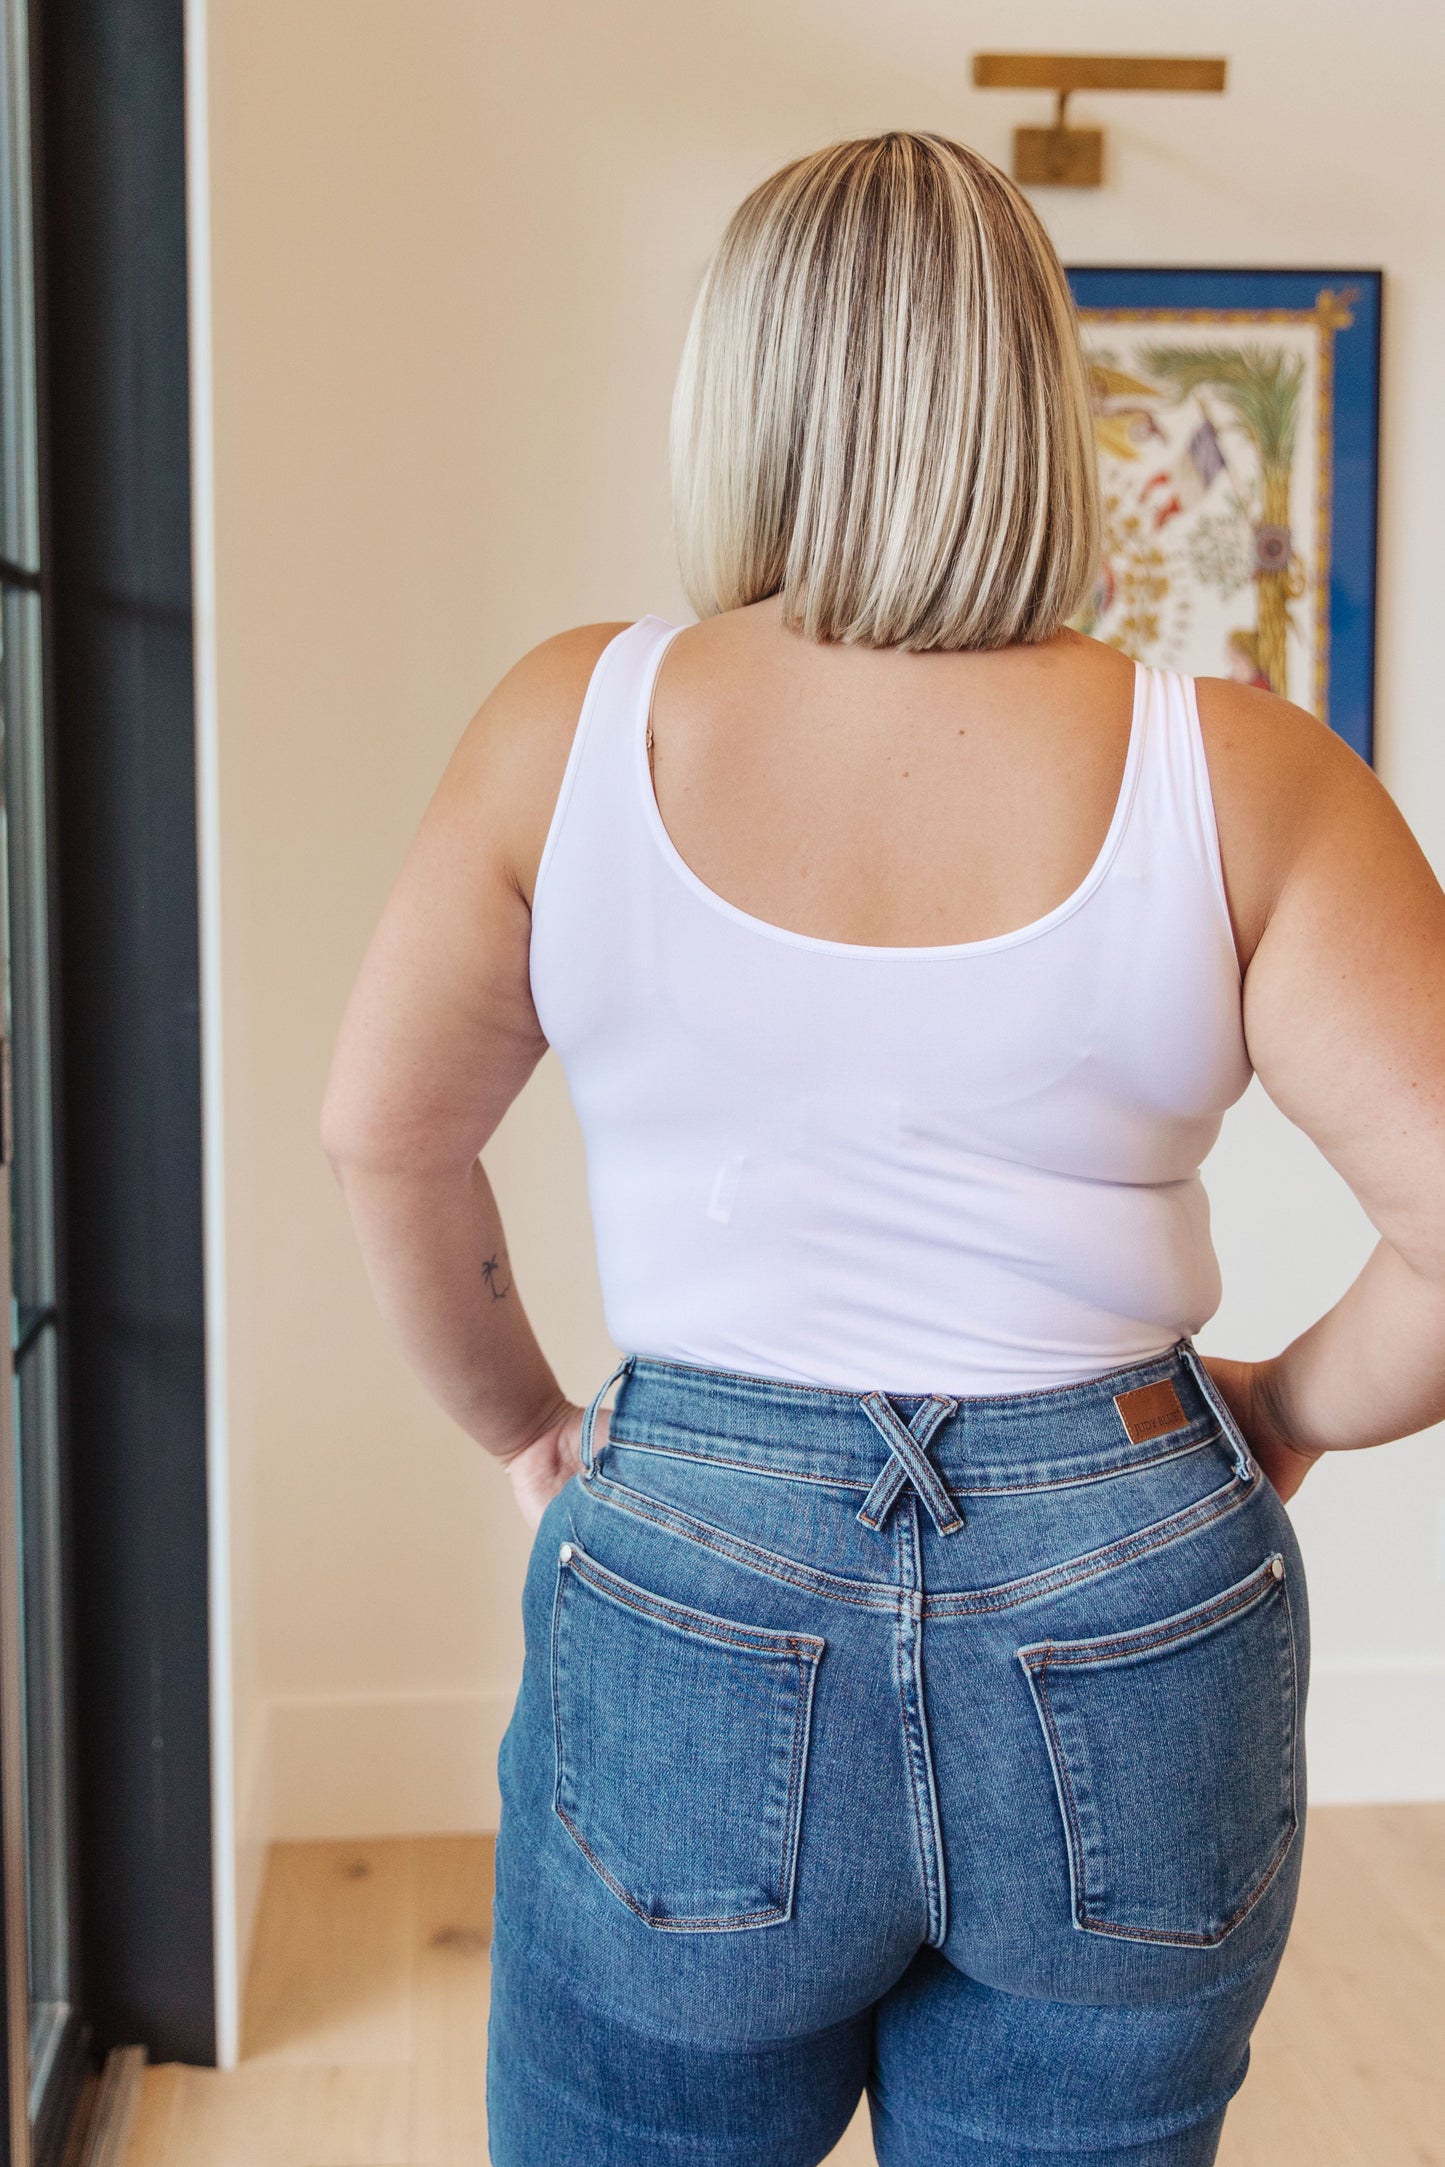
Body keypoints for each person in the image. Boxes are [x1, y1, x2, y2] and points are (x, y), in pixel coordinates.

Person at [320, 132, 1445, 2167]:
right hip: (1128, 1573)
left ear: (742, 397)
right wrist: (1281, 1410)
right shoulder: (1246, 771)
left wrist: (524, 1431)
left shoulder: (570, 725)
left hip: (692, 1560)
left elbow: (383, 1140)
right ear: (1039, 402)